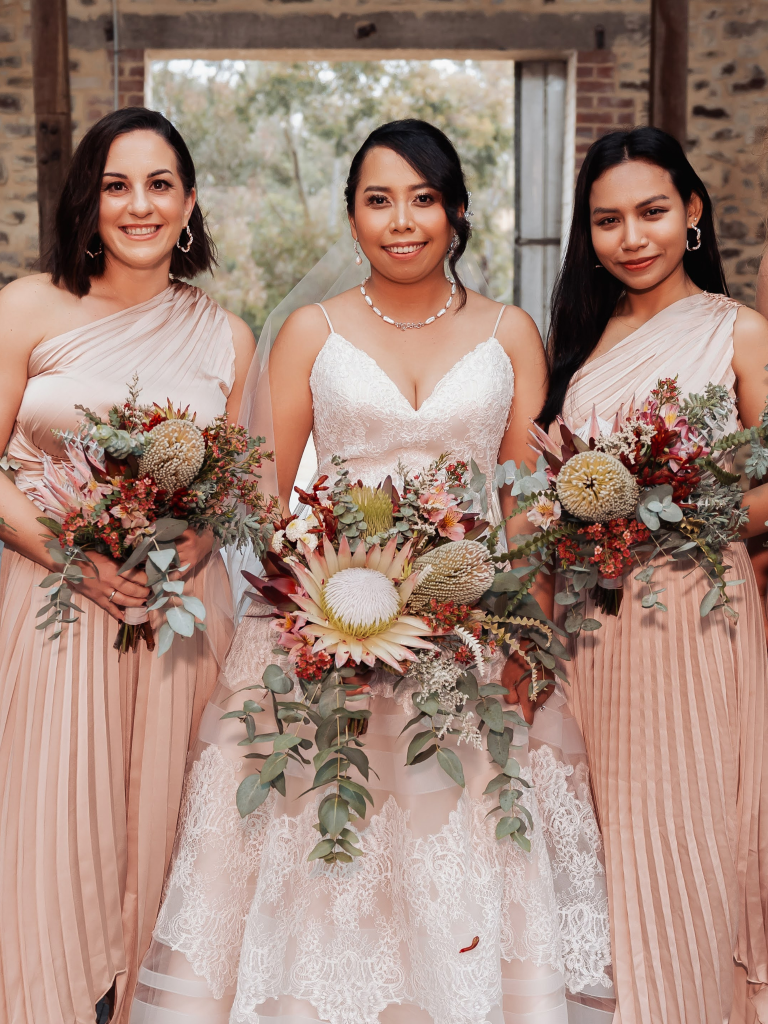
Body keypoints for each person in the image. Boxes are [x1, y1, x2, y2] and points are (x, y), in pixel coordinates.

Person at [130, 119, 614, 1024]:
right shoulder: (311, 330)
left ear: (458, 210)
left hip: (472, 638)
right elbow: (267, 499)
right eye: (377, 200)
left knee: (463, 845)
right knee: (326, 848)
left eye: (423, 199)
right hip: (325, 633)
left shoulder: (510, 333)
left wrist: (527, 635)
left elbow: (523, 507)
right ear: (351, 217)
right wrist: (326, 601)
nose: (401, 221)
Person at [0, 107, 255, 1024]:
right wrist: (75, 556)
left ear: (188, 204)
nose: (138, 205)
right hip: (54, 601)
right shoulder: (29, 306)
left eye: (159, 185)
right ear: (88, 201)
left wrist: (196, 540)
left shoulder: (227, 337)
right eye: (117, 185)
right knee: (50, 831)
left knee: (165, 827)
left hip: (177, 615)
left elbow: (237, 485)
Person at [538, 125, 768, 1023]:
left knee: (698, 833)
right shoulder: (583, 343)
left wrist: (667, 520)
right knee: (611, 843)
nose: (632, 237)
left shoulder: (740, 334)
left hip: (699, 617)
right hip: (595, 632)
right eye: (607, 220)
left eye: (652, 212)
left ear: (693, 212)